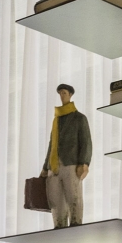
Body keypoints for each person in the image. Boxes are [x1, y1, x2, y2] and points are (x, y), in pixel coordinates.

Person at [41, 84, 92, 228]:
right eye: (60, 93)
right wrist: (45, 167)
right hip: (54, 166)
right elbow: (51, 145)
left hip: (71, 164)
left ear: (70, 95)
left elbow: (86, 142)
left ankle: (76, 225)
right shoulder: (56, 120)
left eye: (64, 93)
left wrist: (84, 163)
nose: (61, 96)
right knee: (55, 201)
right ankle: (59, 226)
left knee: (74, 198)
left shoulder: (79, 118)